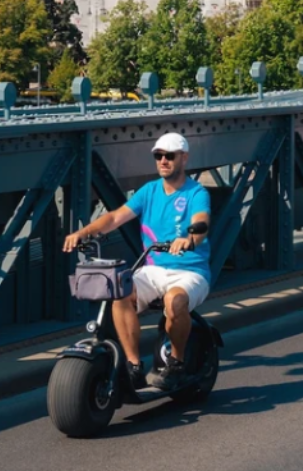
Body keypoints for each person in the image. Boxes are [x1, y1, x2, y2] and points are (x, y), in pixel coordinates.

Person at [63, 132, 211, 392]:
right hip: (152, 269)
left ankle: (176, 362)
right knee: (120, 291)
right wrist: (83, 232)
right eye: (158, 156)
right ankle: (133, 366)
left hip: (189, 271)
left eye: (169, 156)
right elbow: (114, 218)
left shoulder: (196, 192)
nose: (163, 161)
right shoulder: (149, 191)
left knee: (175, 301)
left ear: (184, 158)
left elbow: (202, 223)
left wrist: (189, 239)